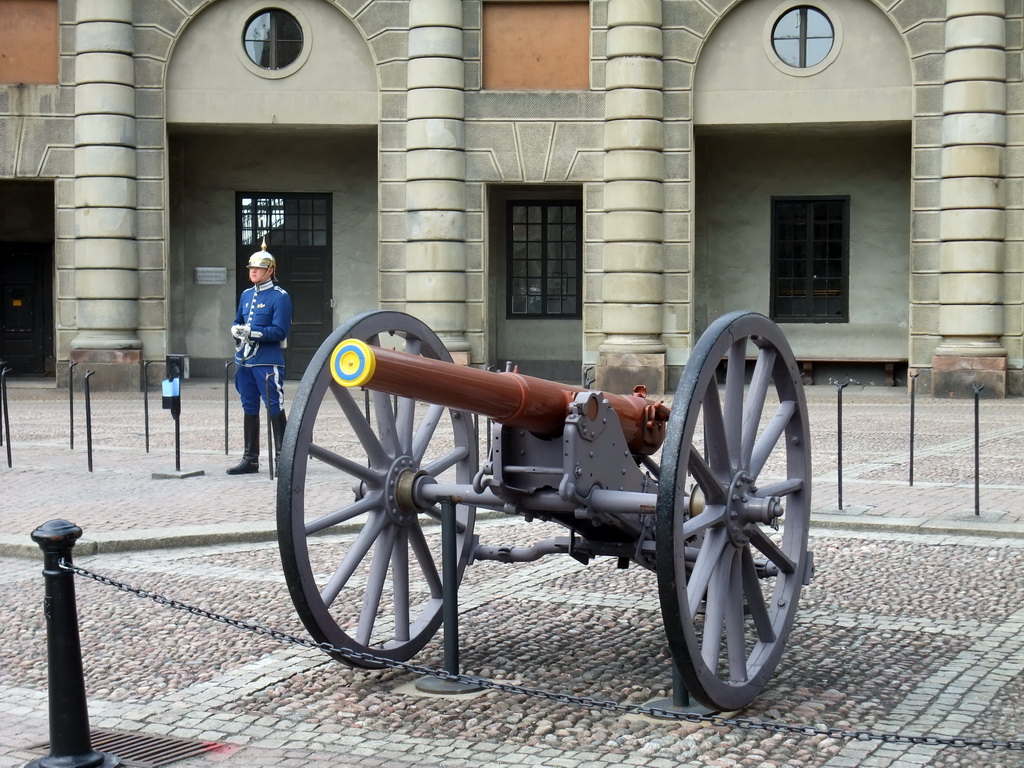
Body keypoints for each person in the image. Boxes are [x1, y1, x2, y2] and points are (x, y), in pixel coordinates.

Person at [227, 239, 292, 475]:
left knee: (274, 405)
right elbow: (237, 320)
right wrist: (236, 329)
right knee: (249, 405)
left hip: (267, 359)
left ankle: (282, 458)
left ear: (270, 271)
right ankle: (250, 459)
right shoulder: (246, 295)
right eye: (251, 268)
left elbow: (280, 331)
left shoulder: (280, 296)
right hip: (245, 360)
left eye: (258, 268)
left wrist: (252, 332)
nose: (253, 272)